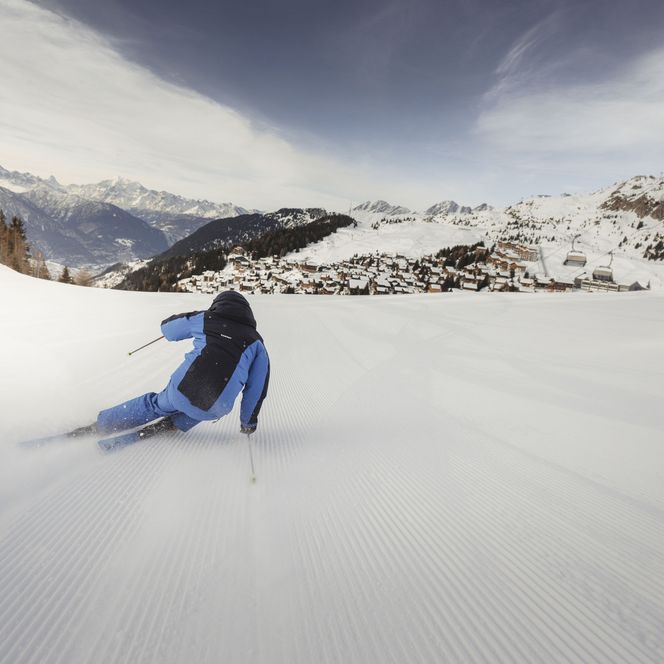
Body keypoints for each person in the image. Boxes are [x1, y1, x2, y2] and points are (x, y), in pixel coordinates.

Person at [82, 291, 270, 446]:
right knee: (206, 405)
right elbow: (256, 390)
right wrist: (248, 423)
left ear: (218, 305)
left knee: (155, 404)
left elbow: (168, 329)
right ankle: (172, 424)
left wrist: (201, 315)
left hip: (180, 391)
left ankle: (103, 424)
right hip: (216, 407)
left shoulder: (206, 318)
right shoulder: (257, 343)